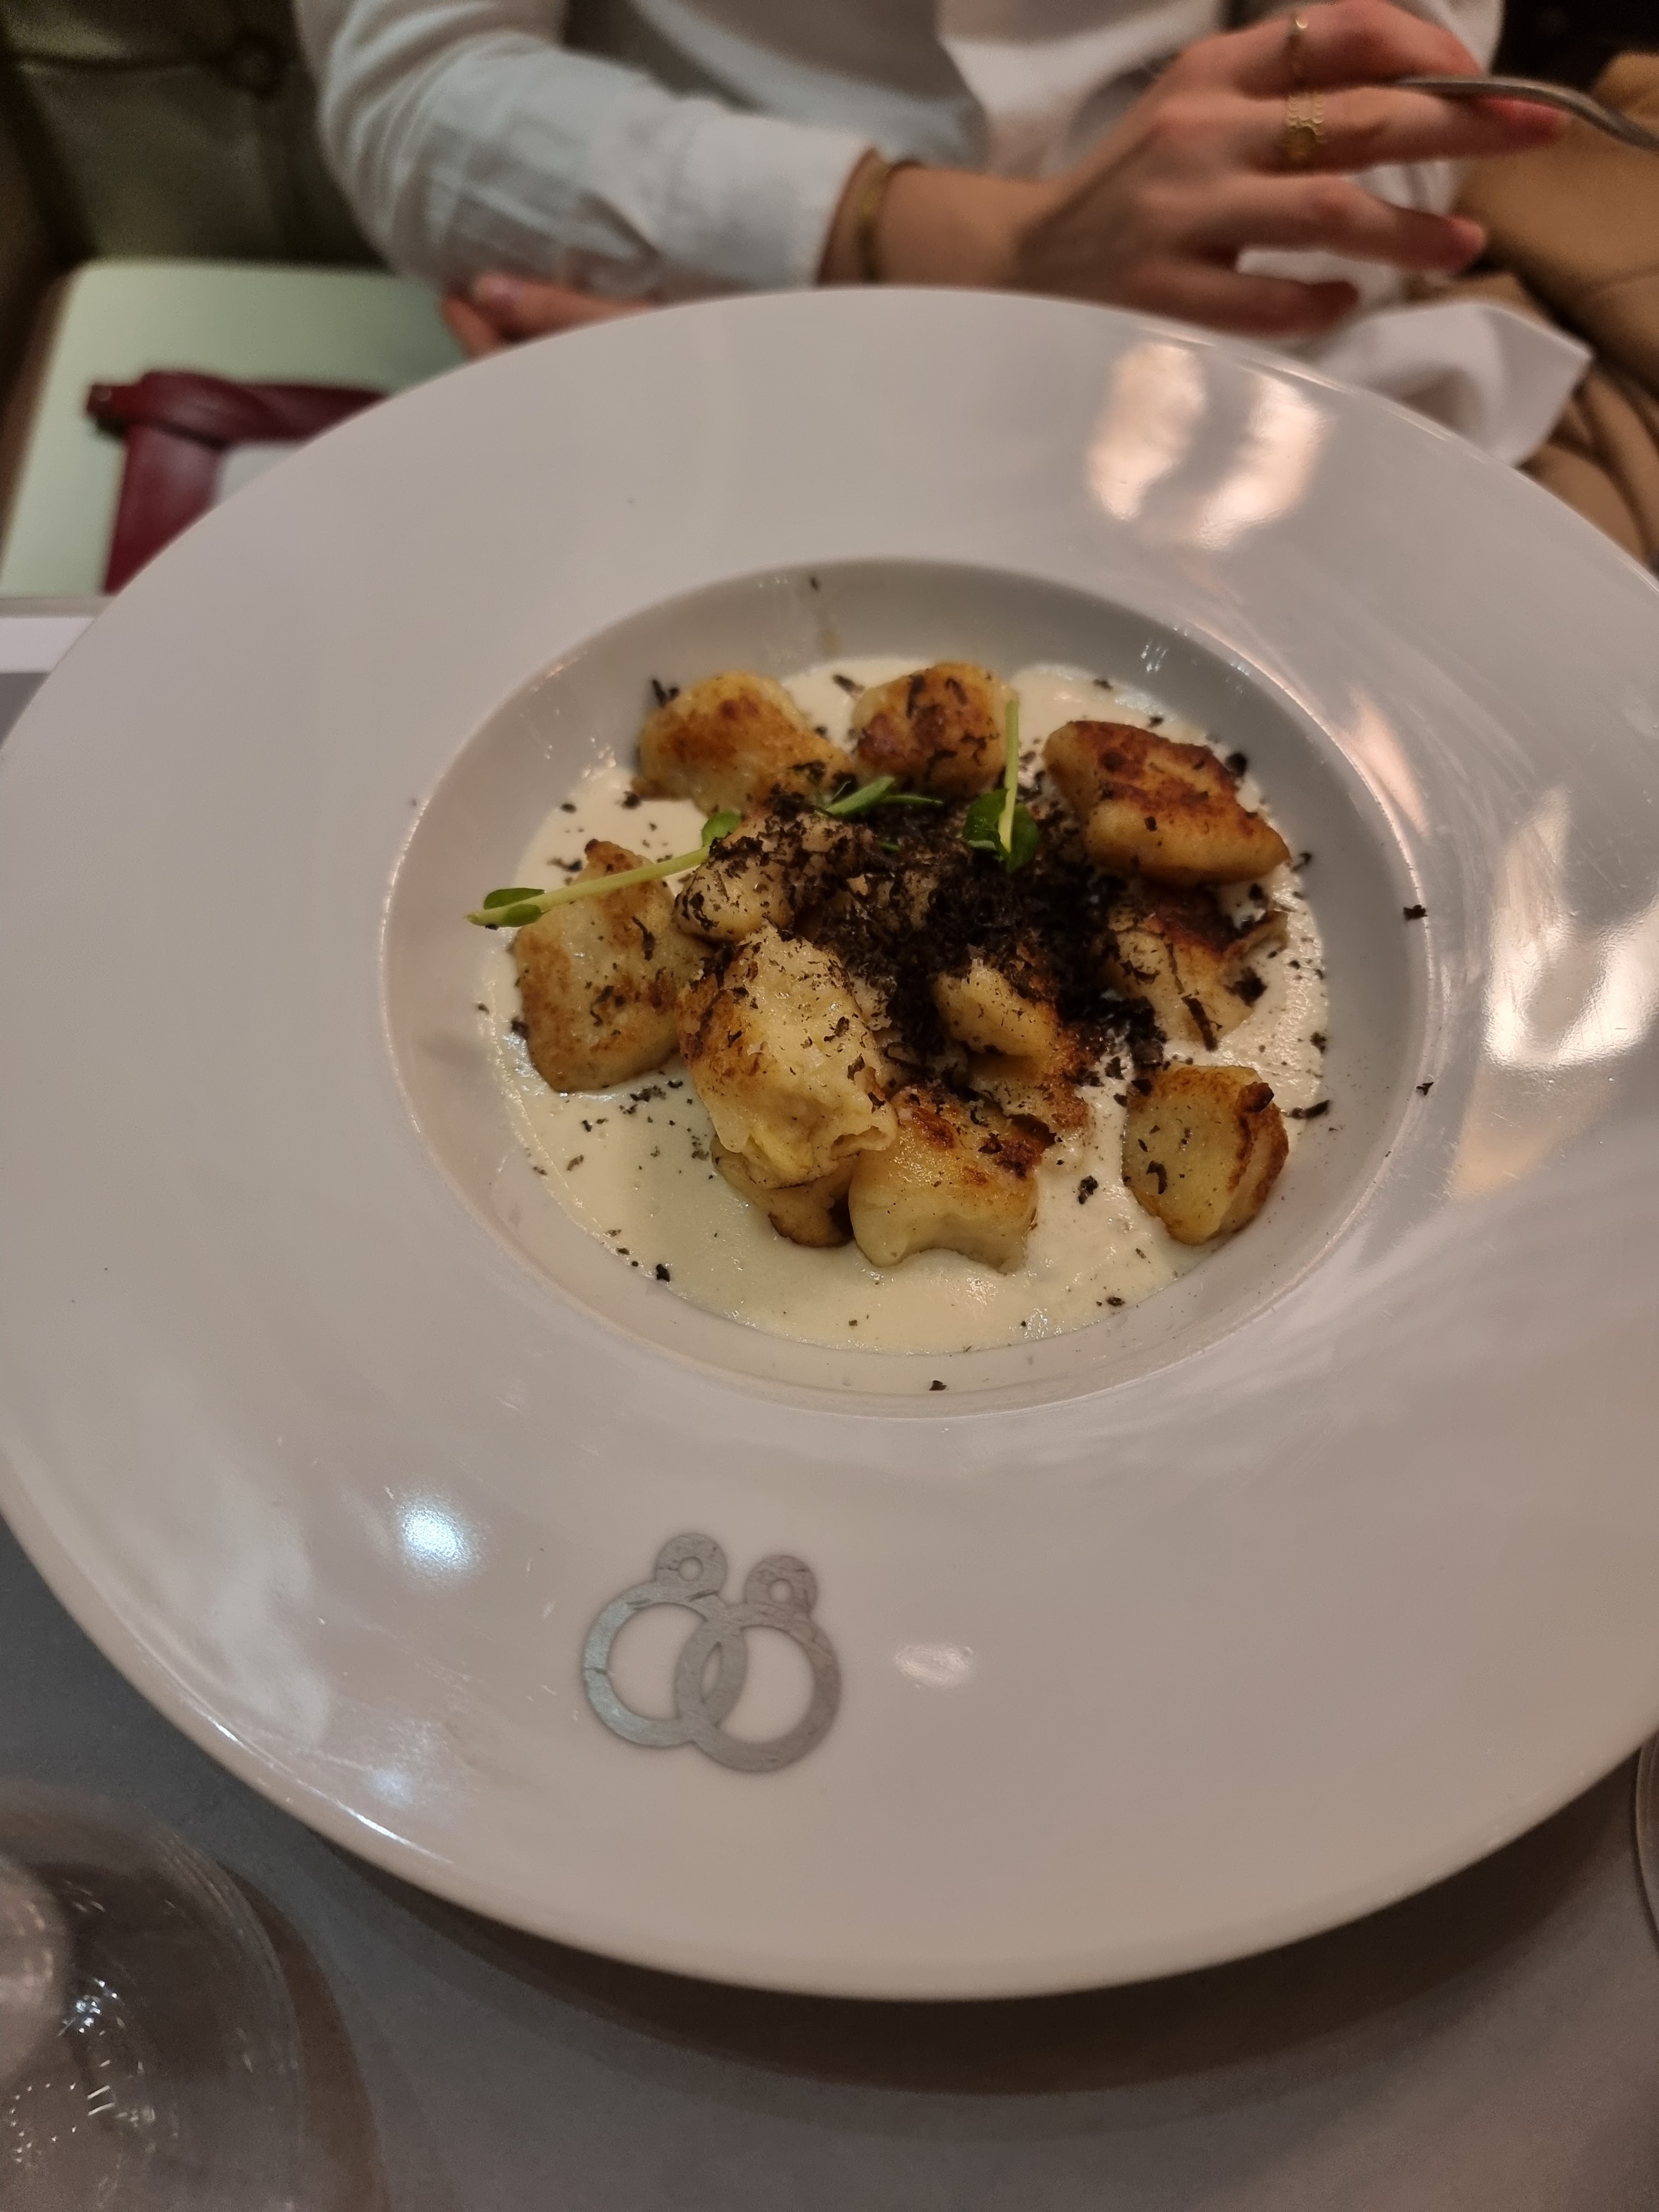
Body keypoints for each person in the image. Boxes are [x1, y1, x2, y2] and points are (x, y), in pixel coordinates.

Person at [298, 0, 1585, 454]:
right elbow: (417, 98)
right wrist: (987, 253)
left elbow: (1408, 112)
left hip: (1202, 391)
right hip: (685, 353)